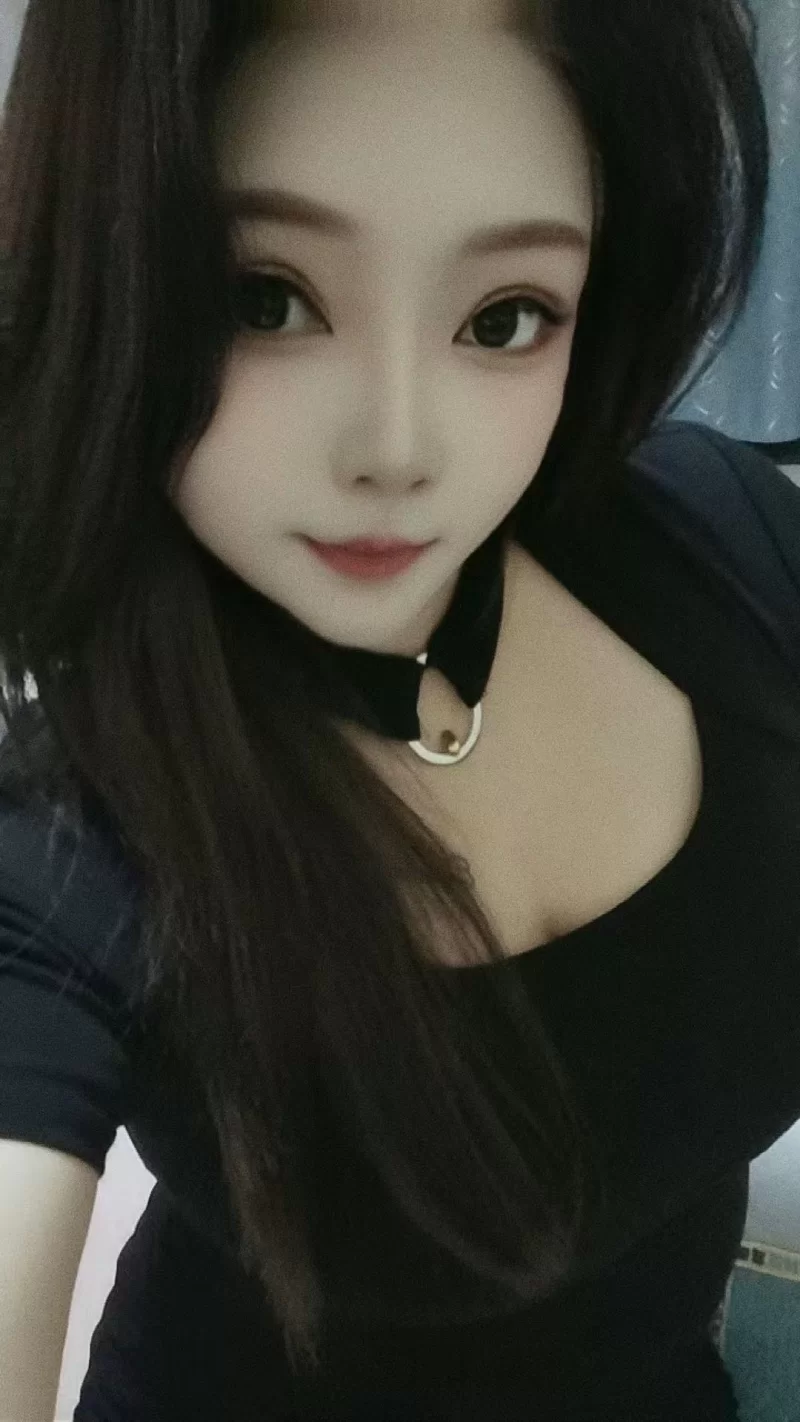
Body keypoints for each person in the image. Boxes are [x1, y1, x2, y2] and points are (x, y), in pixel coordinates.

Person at [0, 0, 797, 1418]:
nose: (399, 447)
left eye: (504, 317)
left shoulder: (722, 548)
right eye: (266, 297)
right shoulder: (67, 809)